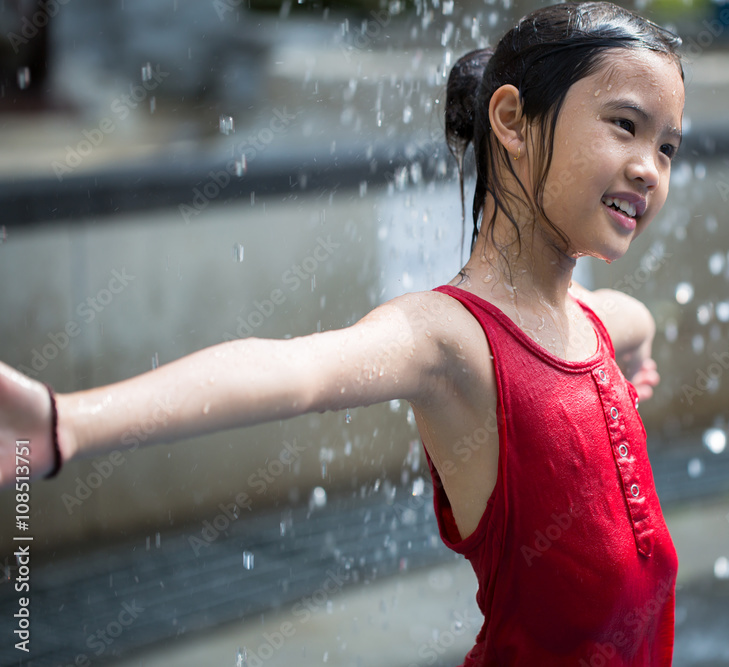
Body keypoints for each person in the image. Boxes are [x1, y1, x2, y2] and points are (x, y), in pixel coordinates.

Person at [0, 2, 684, 664]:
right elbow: (297, 373)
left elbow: (633, 319)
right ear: (511, 119)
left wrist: (642, 343)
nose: (649, 167)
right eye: (625, 125)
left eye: (667, 146)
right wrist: (69, 423)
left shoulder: (598, 321)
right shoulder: (453, 341)